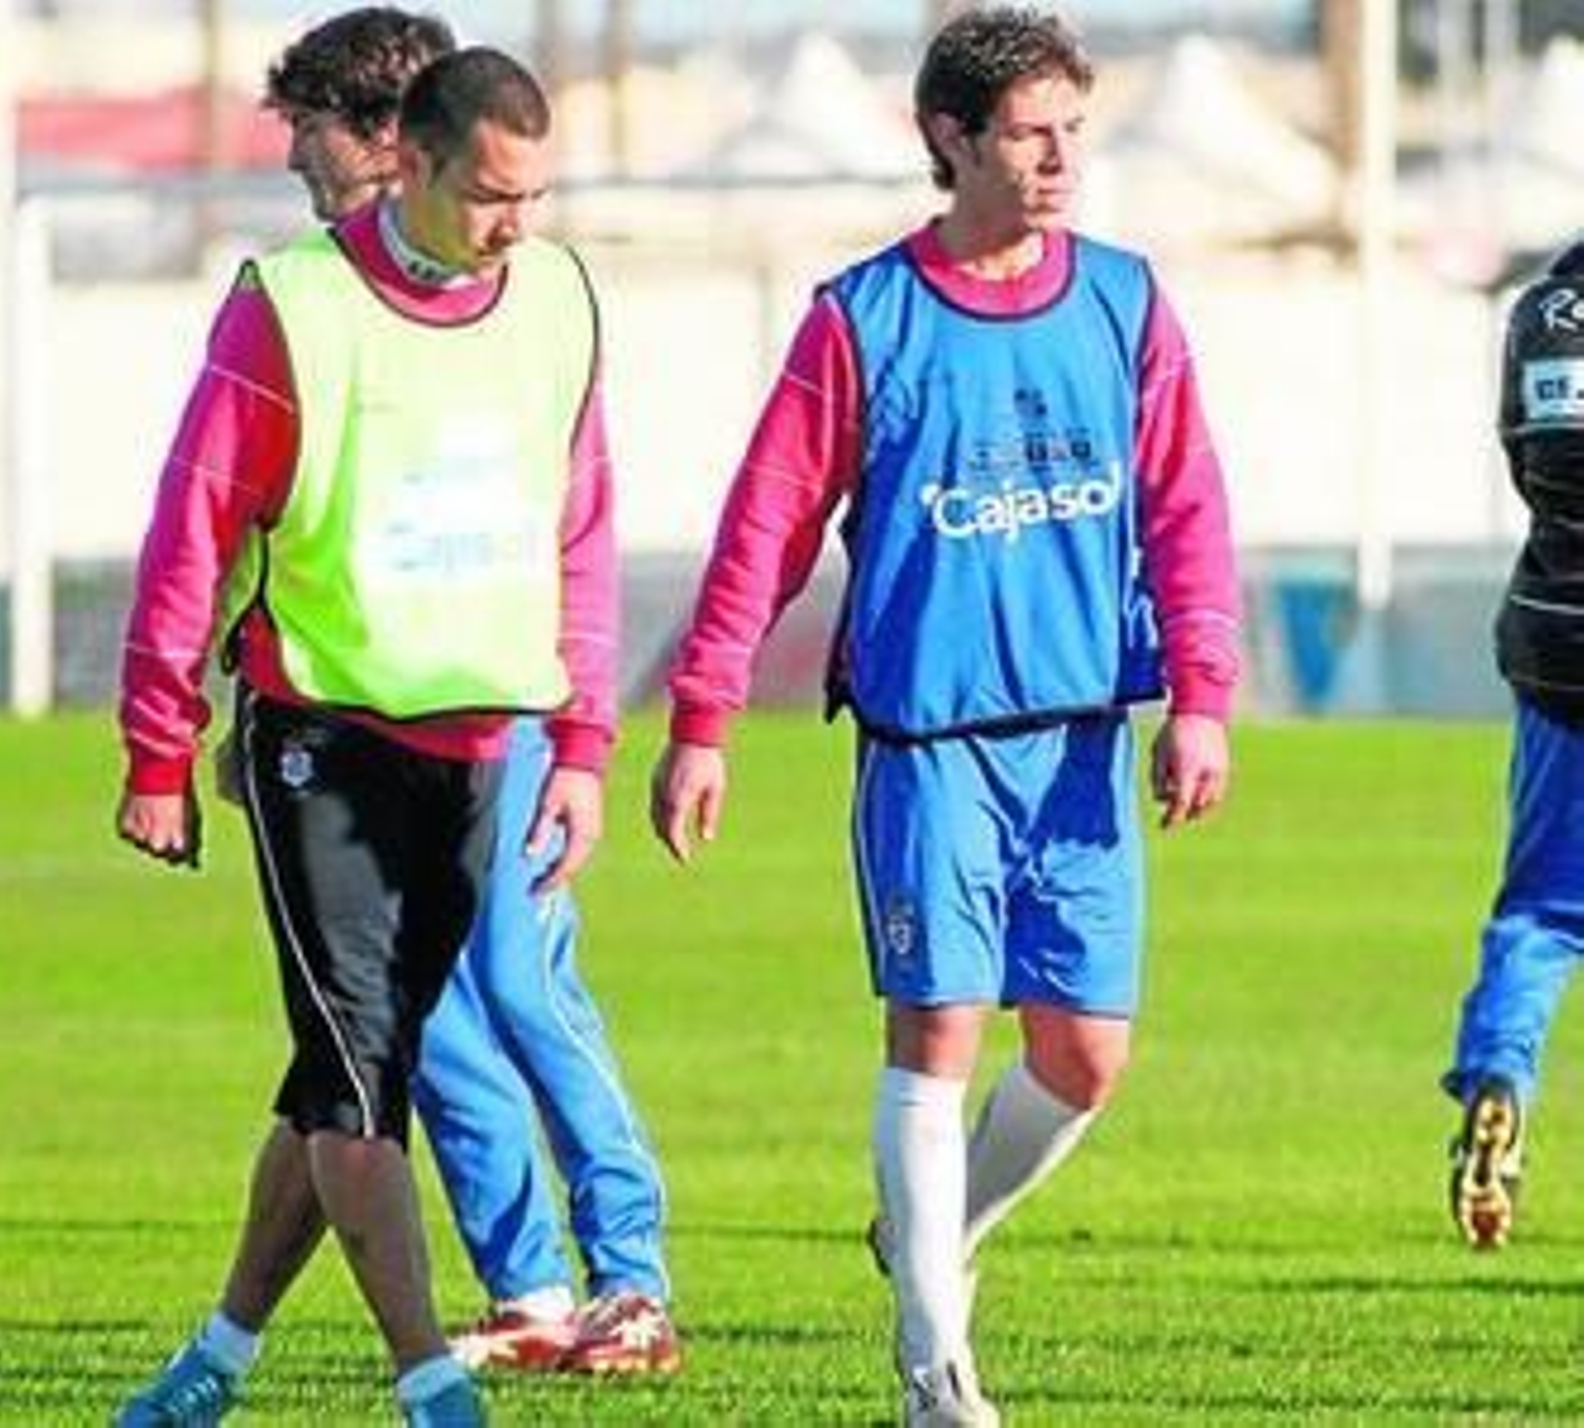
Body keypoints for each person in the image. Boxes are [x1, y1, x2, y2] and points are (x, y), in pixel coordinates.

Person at [649, 8, 1240, 1424]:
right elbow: (767, 528)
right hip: (932, 750)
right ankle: (935, 1369)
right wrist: (703, 714)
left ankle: (930, 1241)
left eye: (1073, 133)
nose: (1059, 161)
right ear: (951, 139)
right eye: (1031, 134)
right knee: (939, 1035)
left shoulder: (1127, 301)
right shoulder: (862, 320)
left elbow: (1187, 506)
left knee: (1085, 1055)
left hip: (1087, 741)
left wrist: (1203, 697)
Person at [114, 45, 613, 1426]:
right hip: (318, 740)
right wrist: (160, 746)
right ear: (413, 160)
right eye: (493, 195)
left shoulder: (560, 298)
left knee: (343, 1075)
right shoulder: (295, 307)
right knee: (356, 1080)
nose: (519, 222)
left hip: (481, 755)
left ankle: (214, 1361)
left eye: (538, 193)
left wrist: (582, 742)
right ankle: (430, 1378)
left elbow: (582, 527)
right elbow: (193, 524)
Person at [262, 7, 679, 1375]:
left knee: (524, 977)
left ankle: (632, 1276)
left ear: (390, 135)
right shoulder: (323, 301)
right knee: (420, 1023)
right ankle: (532, 1289)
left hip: (493, 721)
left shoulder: (530, 299)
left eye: (311, 142)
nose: (300, 173)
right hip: (359, 726)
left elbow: (580, 520)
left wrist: (582, 736)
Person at [1441, 242, 1584, 1251]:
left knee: (1540, 912)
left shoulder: (1545, 310)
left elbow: (1527, 460)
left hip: (1556, 638)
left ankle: (1498, 1074)